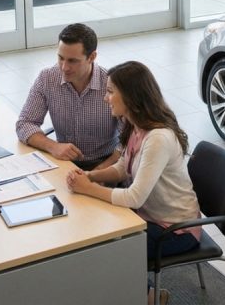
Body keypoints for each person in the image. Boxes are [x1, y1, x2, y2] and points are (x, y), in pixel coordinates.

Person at [66, 61, 199, 305]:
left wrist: (89, 189)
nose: (106, 98)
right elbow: (121, 169)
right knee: (101, 239)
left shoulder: (158, 138)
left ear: (131, 96)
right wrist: (91, 176)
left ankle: (146, 297)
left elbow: (134, 197)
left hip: (176, 230)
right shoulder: (137, 127)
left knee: (109, 248)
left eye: (110, 92)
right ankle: (142, 294)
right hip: (149, 217)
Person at [16, 23, 121, 171]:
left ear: (92, 57)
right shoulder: (47, 78)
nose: (64, 67)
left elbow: (128, 141)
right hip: (62, 161)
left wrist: (100, 173)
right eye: (60, 58)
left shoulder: (111, 84)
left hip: (105, 163)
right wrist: (53, 146)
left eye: (72, 61)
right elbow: (24, 124)